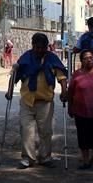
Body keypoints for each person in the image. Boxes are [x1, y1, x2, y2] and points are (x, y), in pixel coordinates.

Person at [6, 33, 68, 169]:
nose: (40, 50)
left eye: (42, 48)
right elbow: (15, 74)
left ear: (47, 47)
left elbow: (62, 76)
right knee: (26, 129)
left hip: (45, 101)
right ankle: (28, 158)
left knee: (46, 130)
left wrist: (64, 91)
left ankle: (45, 157)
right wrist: (9, 91)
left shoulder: (52, 58)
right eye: (37, 47)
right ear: (32, 46)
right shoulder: (26, 58)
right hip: (27, 100)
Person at [67, 50, 93, 169]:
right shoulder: (77, 74)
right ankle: (85, 160)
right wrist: (70, 107)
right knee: (83, 136)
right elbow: (70, 92)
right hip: (81, 111)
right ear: (81, 61)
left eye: (91, 57)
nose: (89, 60)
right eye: (86, 58)